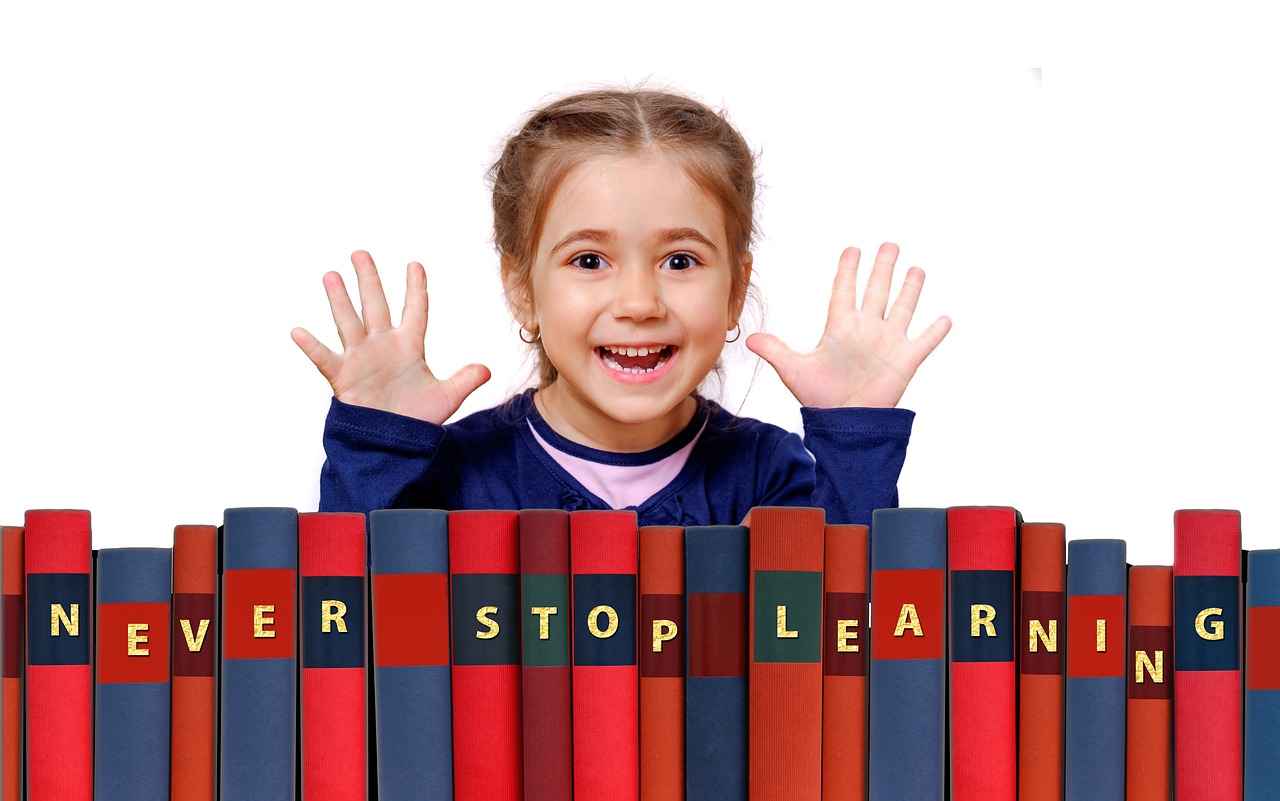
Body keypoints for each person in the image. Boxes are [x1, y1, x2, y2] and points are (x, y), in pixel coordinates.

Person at [291, 87, 951, 527]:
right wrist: (373, 449)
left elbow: (855, 640)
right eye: (589, 261)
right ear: (522, 289)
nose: (639, 302)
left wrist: (854, 440)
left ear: (732, 292)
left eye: (680, 261)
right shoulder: (456, 477)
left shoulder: (769, 476)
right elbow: (350, 633)